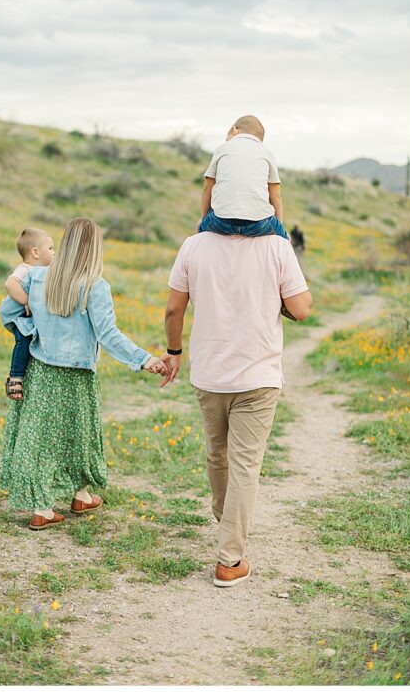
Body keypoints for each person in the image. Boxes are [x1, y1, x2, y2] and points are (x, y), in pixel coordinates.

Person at [159, 227, 311, 588]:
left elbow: (173, 309)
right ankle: (229, 559)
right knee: (246, 464)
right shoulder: (277, 246)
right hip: (258, 376)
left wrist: (175, 352)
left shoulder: (194, 246)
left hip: (210, 374)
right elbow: (302, 309)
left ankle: (226, 522)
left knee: (218, 455)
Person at [0, 218, 167, 531]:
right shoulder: (95, 286)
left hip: (41, 372)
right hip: (77, 377)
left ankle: (45, 508)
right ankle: (80, 495)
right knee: (80, 436)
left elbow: (6, 312)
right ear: (94, 250)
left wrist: (29, 324)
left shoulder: (38, 278)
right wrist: (144, 359)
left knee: (41, 439)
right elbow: (108, 334)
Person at [198, 115, 288, 240]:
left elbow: (207, 188)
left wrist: (203, 220)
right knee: (285, 239)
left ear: (235, 130)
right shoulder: (267, 153)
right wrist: (279, 228)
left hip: (221, 221)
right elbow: (276, 196)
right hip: (258, 223)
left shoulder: (222, 149)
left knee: (200, 229)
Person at [0, 227, 55, 400]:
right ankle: (15, 378)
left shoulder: (43, 272)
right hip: (15, 315)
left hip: (25, 315)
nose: (54, 252)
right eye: (51, 248)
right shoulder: (26, 269)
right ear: (36, 253)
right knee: (23, 338)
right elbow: (10, 284)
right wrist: (27, 301)